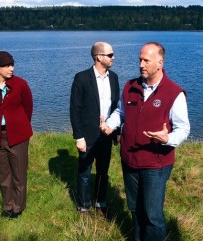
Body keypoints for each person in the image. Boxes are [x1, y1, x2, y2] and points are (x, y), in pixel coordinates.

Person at [101, 42, 190, 240]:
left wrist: (168, 138)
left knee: (153, 215)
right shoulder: (130, 86)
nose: (141, 64)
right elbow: (121, 112)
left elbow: (183, 128)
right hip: (129, 159)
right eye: (140, 59)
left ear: (160, 63)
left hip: (155, 164)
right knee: (134, 208)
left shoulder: (174, 93)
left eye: (146, 60)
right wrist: (110, 125)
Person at [0, 51, 33, 219]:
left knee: (19, 173)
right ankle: (7, 205)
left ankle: (18, 207)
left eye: (12, 64)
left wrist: (19, 125)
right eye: (7, 66)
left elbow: (28, 108)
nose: (11, 68)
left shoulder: (21, 84)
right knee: (3, 173)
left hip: (18, 135)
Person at [70, 41, 120, 218]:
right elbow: (75, 109)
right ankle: (84, 206)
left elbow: (117, 107)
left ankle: (100, 202)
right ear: (99, 57)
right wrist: (79, 136)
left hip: (106, 134)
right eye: (110, 55)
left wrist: (117, 132)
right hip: (88, 135)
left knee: (103, 171)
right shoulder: (81, 78)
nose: (114, 58)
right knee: (84, 172)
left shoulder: (113, 77)